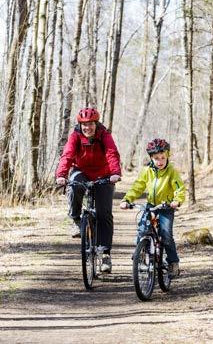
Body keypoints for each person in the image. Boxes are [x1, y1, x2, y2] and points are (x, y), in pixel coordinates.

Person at [56, 107, 121, 273]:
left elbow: (112, 153)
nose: (87, 128)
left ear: (96, 123)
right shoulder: (75, 136)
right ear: (80, 125)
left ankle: (105, 253)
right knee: (74, 185)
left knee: (104, 213)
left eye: (90, 124)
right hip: (82, 171)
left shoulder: (104, 135)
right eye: (84, 125)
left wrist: (115, 173)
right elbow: (68, 155)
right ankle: (76, 220)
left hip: (104, 174)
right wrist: (61, 174)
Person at [120, 138, 185, 278]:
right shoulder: (147, 171)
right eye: (156, 158)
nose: (160, 161)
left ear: (167, 156)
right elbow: (138, 187)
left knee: (166, 234)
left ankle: (173, 262)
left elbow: (179, 188)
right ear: (151, 158)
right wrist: (127, 199)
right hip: (151, 206)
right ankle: (140, 256)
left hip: (166, 207)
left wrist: (177, 201)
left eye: (163, 157)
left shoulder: (171, 172)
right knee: (142, 228)